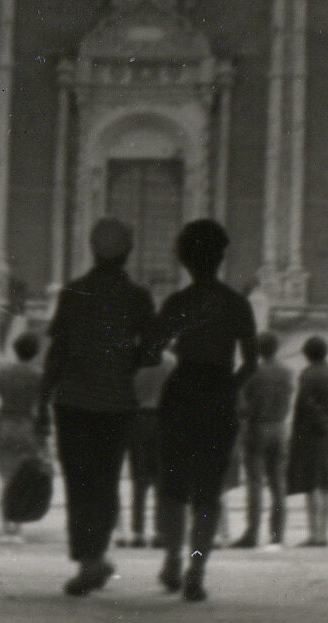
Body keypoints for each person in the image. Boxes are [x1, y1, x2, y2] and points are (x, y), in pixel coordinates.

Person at [37, 217, 156, 596]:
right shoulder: (138, 298)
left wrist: (41, 405)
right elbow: (151, 353)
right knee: (106, 482)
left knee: (79, 483)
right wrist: (125, 363)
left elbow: (56, 355)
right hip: (115, 405)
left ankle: (88, 559)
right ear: (129, 252)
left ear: (91, 249)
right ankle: (95, 555)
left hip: (72, 402)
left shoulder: (72, 292)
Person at [150, 219, 258, 602]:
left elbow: (151, 349)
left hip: (181, 394)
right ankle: (196, 569)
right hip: (218, 397)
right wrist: (228, 389)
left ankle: (172, 560)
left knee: (173, 489)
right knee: (208, 493)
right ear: (220, 257)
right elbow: (250, 363)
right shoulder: (237, 304)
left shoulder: (178, 303)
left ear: (185, 260)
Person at [286, 336, 328, 547]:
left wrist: (324, 425)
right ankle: (324, 533)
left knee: (312, 485)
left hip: (312, 437)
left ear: (307, 355)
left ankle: (315, 535)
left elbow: (306, 405)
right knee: (327, 486)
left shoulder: (308, 375)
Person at [234, 331, 293, 548]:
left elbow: (241, 406)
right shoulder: (286, 372)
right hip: (280, 427)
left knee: (255, 482)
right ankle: (277, 534)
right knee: (278, 483)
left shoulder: (251, 372)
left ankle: (252, 532)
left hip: (257, 427)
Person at [116, 350, 174, 548]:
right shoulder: (172, 362)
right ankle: (160, 531)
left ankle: (138, 532)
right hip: (163, 420)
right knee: (161, 478)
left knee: (139, 479)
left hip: (137, 419)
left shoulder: (132, 359)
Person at [0, 331, 43, 540]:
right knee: (23, 477)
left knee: (6, 476)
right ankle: (17, 525)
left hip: (5, 422)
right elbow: (40, 403)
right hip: (26, 424)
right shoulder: (38, 374)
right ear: (35, 352)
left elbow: (0, 393)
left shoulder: (4, 372)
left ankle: (5, 524)